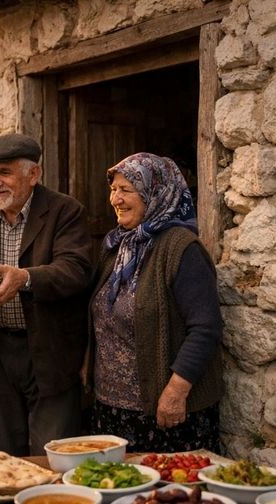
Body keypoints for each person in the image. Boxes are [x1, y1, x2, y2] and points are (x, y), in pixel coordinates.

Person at [0, 132, 92, 456]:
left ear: (33, 174)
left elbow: (76, 270)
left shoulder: (65, 211)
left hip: (49, 352)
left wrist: (24, 278)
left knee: (52, 457)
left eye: (5, 172)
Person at [87, 152, 222, 452]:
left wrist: (175, 392)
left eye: (126, 190)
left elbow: (206, 328)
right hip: (112, 410)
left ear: (155, 192)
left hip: (165, 414)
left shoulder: (181, 249)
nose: (115, 200)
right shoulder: (116, 245)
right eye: (113, 189)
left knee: (168, 496)